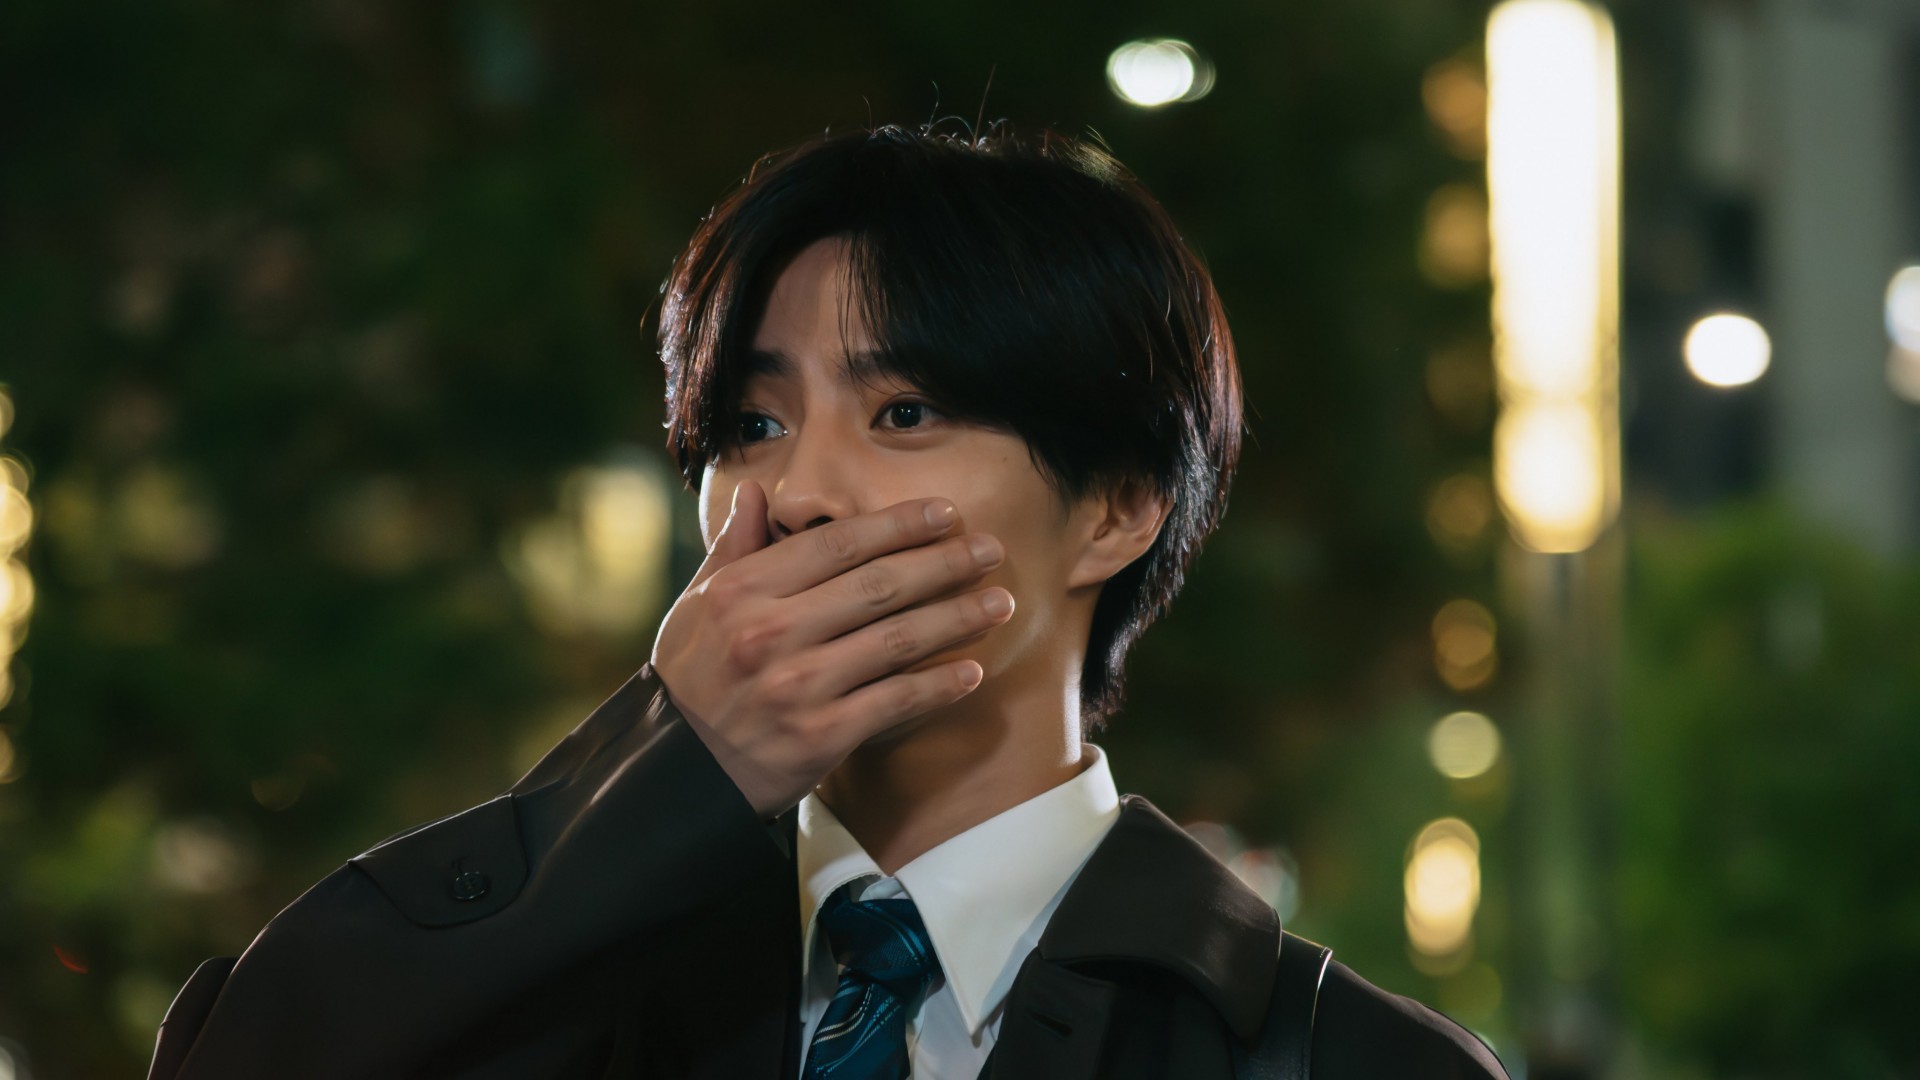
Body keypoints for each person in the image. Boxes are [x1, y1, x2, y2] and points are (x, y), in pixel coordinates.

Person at [147, 122, 1510, 1080]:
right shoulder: (581, 982)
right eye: (750, 425)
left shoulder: (1333, 1055)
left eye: (904, 411)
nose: (796, 494)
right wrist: (666, 767)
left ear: (1117, 507)